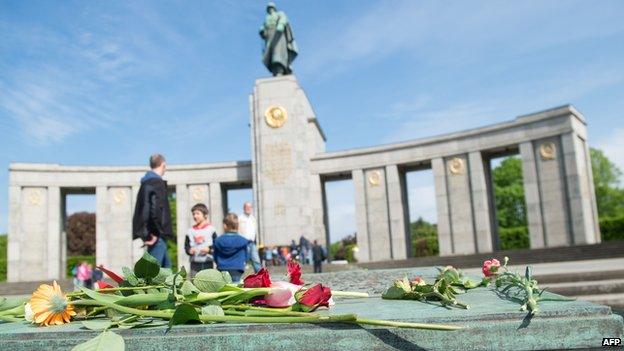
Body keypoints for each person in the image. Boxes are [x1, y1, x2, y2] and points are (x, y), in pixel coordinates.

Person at [132, 154, 174, 268]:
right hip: (157, 235)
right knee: (153, 274)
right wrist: (154, 233)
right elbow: (155, 210)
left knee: (166, 271)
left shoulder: (146, 182)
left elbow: (144, 209)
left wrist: (146, 233)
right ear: (163, 164)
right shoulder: (156, 183)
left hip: (154, 234)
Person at [259, 2, 298, 76]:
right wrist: (262, 30)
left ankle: (280, 70)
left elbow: (283, 18)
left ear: (274, 8)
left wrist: (281, 24)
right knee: (270, 55)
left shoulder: (279, 13)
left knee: (278, 54)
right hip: (269, 37)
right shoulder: (267, 18)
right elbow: (264, 27)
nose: (270, 10)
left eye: (271, 8)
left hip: (278, 35)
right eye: (269, 8)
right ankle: (275, 70)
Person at [213, 213, 249, 283]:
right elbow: (246, 256)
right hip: (237, 268)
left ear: (225, 225)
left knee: (224, 289)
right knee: (235, 289)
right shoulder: (243, 240)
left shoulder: (218, 240)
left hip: (222, 268)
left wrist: (219, 263)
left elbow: (215, 256)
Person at [184, 203, 217, 277]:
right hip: (194, 264)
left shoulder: (211, 229)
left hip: (207, 262)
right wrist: (189, 250)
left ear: (205, 215)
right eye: (193, 214)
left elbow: (216, 245)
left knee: (208, 283)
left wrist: (209, 249)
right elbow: (186, 246)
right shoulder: (190, 231)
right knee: (195, 283)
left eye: (197, 213)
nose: (195, 216)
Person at [238, 202, 261, 273]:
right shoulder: (240, 218)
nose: (248, 208)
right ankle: (239, 277)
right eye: (246, 207)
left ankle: (260, 275)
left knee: (256, 260)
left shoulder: (253, 218)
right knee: (242, 260)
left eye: (250, 207)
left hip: (252, 242)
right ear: (244, 208)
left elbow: (255, 231)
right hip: (243, 242)